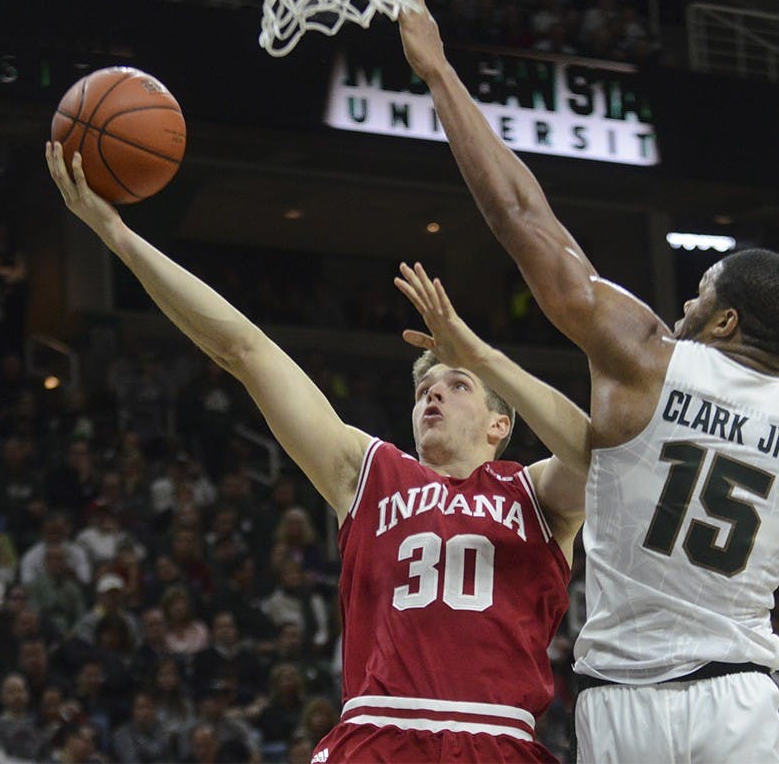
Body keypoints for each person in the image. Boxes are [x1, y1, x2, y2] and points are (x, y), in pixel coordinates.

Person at [396, 0, 779, 761]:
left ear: (726, 322)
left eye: (705, 289)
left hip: (625, 703)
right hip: (742, 696)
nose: (689, 297)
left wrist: (439, 72)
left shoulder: (645, 358)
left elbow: (521, 216)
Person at [46, 142, 589, 762]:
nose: (432, 396)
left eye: (456, 385)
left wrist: (482, 355)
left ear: (500, 424)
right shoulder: (369, 470)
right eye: (423, 390)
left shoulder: (537, 492)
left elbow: (600, 455)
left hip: (499, 737)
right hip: (381, 731)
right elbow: (245, 350)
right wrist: (116, 235)